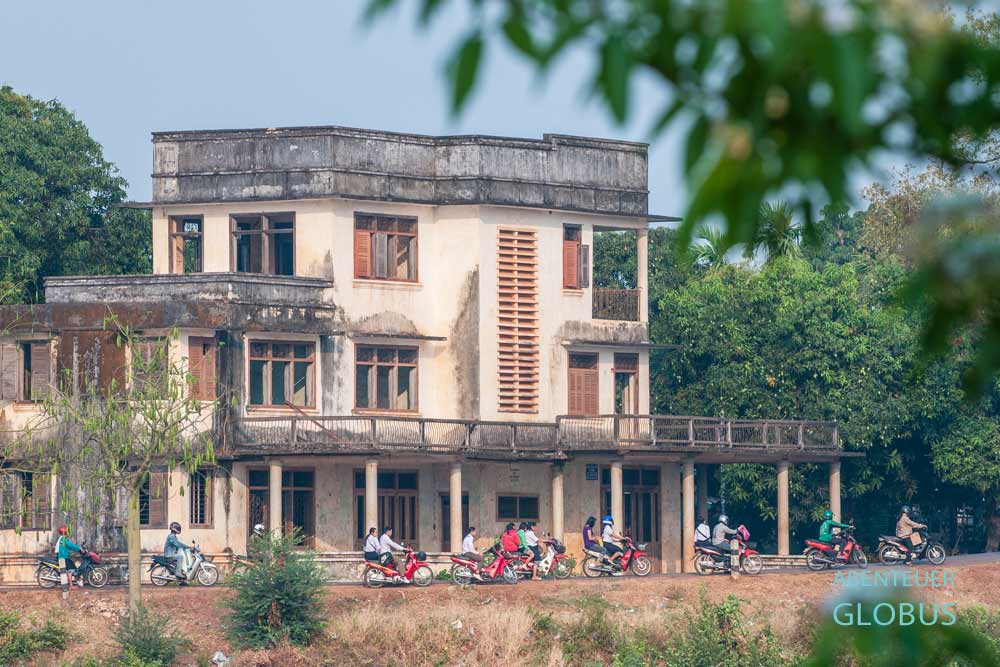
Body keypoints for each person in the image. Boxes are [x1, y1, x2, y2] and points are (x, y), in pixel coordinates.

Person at [55, 526, 83, 598]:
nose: (68, 533)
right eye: (67, 531)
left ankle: (71, 584)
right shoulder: (64, 539)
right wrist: (79, 548)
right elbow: (71, 545)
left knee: (70, 569)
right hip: (64, 557)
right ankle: (71, 586)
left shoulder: (61, 539)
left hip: (63, 557)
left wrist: (75, 548)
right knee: (71, 570)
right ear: (65, 532)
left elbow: (69, 546)